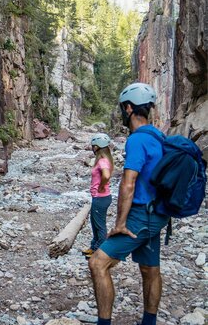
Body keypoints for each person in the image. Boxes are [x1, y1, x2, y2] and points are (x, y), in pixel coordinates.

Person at [89, 83, 168, 325]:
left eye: (124, 109)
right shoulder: (160, 137)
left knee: (98, 263)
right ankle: (149, 322)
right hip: (159, 214)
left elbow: (128, 183)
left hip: (141, 216)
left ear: (129, 108)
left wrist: (120, 224)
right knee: (149, 269)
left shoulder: (137, 140)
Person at [83, 133, 114, 259]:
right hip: (100, 198)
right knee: (94, 223)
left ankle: (99, 251)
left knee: (99, 225)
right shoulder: (104, 159)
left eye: (93, 146)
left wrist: (101, 187)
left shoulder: (102, 161)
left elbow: (106, 175)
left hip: (101, 198)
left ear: (97, 147)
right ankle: (94, 247)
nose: (92, 147)